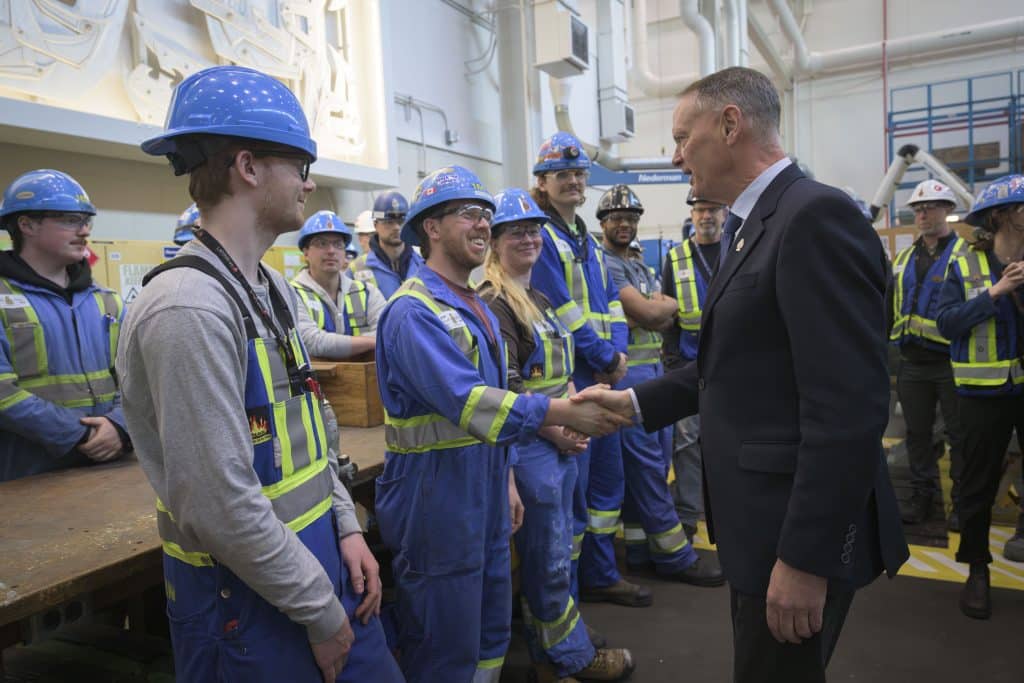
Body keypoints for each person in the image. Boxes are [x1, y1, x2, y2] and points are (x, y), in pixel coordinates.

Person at [573, 67, 908, 682]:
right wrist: (633, 405)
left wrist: (805, 559)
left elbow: (849, 407)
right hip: (760, 529)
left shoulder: (813, 216)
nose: (676, 158)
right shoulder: (752, 225)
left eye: (683, 138)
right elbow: (733, 364)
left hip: (792, 536)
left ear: (730, 125)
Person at [119, 64, 403, 682]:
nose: (310, 183)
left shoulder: (269, 286)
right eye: (300, 165)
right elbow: (217, 503)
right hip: (245, 598)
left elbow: (310, 433)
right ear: (248, 167)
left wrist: (346, 524)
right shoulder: (188, 307)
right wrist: (319, 611)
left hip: (316, 564)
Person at [374, 165, 630, 683]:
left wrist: (508, 477)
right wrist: (560, 413)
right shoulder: (413, 313)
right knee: (447, 640)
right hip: (437, 501)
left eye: (486, 215)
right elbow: (471, 403)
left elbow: (498, 406)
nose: (482, 224)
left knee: (490, 632)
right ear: (431, 227)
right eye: (469, 213)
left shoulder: (477, 307)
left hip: (486, 489)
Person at [478, 187, 634, 682]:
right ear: (494, 242)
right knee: (547, 559)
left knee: (563, 549)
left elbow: (559, 369)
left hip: (558, 442)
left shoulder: (539, 298)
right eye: (516, 233)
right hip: (531, 448)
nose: (528, 239)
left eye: (534, 231)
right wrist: (557, 430)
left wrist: (573, 403)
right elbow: (507, 387)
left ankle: (563, 640)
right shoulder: (495, 302)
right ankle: (563, 661)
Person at [529, 132, 647, 610]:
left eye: (579, 174)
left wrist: (618, 354)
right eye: (562, 174)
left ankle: (601, 573)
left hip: (604, 375)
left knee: (606, 487)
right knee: (574, 498)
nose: (574, 181)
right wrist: (605, 358)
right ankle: (568, 600)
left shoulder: (590, 242)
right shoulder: (541, 237)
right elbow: (561, 309)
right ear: (543, 182)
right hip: (573, 382)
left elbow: (612, 305)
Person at [597, 183, 723, 587]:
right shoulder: (606, 264)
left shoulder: (637, 264)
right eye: (617, 218)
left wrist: (652, 311)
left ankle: (639, 551)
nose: (624, 224)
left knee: (653, 463)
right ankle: (675, 556)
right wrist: (652, 311)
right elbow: (655, 314)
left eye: (631, 218)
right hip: (628, 376)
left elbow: (668, 314)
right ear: (602, 223)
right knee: (650, 467)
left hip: (655, 372)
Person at [0, 169, 130, 482]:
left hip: (112, 470)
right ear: (27, 225)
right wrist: (80, 435)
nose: (84, 231)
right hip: (27, 477)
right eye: (70, 220)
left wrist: (120, 425)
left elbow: (141, 379)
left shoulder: (108, 301)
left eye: (86, 221)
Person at [935, 174, 1024, 620]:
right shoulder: (963, 261)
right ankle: (977, 569)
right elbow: (946, 323)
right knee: (975, 485)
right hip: (980, 394)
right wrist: (996, 292)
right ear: (1002, 215)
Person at [887, 179, 967, 527]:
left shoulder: (965, 254)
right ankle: (923, 499)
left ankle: (962, 506)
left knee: (959, 437)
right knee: (917, 436)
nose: (922, 215)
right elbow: (890, 306)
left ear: (947, 210)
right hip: (912, 363)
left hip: (952, 361)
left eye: (930, 208)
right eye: (918, 210)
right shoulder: (904, 258)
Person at [661, 190, 726, 539]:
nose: (706, 216)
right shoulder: (675, 258)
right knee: (686, 443)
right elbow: (668, 316)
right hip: (689, 366)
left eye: (712, 209)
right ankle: (688, 513)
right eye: (700, 209)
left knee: (729, 440)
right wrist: (672, 363)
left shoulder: (739, 249)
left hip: (732, 366)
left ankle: (730, 508)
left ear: (725, 213)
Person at [291, 210, 384, 359]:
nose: (331, 251)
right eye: (322, 243)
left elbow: (386, 333)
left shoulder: (367, 292)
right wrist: (372, 342)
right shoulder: (291, 294)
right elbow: (311, 341)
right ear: (306, 252)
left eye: (338, 244)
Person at [348, 190, 423, 299]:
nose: (396, 227)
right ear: (375, 225)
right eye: (389, 222)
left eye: (401, 222)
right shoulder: (357, 269)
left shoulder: (422, 265)